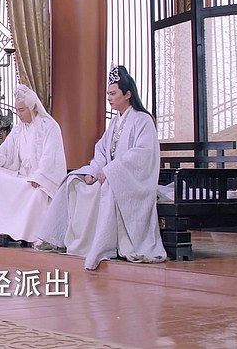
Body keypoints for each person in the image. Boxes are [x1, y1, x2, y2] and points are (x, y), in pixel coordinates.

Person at [36, 65, 166, 270]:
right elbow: (102, 151)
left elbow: (142, 154)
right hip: (111, 175)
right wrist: (94, 171)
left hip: (132, 181)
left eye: (113, 94)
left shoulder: (143, 120)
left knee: (107, 188)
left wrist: (110, 171)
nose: (109, 98)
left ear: (128, 94)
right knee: (74, 182)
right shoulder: (114, 123)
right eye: (108, 94)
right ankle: (71, 241)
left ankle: (101, 246)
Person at [0, 84, 67, 244]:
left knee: (37, 193)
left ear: (33, 107)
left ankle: (29, 235)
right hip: (22, 177)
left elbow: (51, 157)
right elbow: (4, 152)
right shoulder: (18, 130)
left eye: (22, 110)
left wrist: (39, 177)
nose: (19, 114)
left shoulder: (49, 127)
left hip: (38, 180)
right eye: (17, 110)